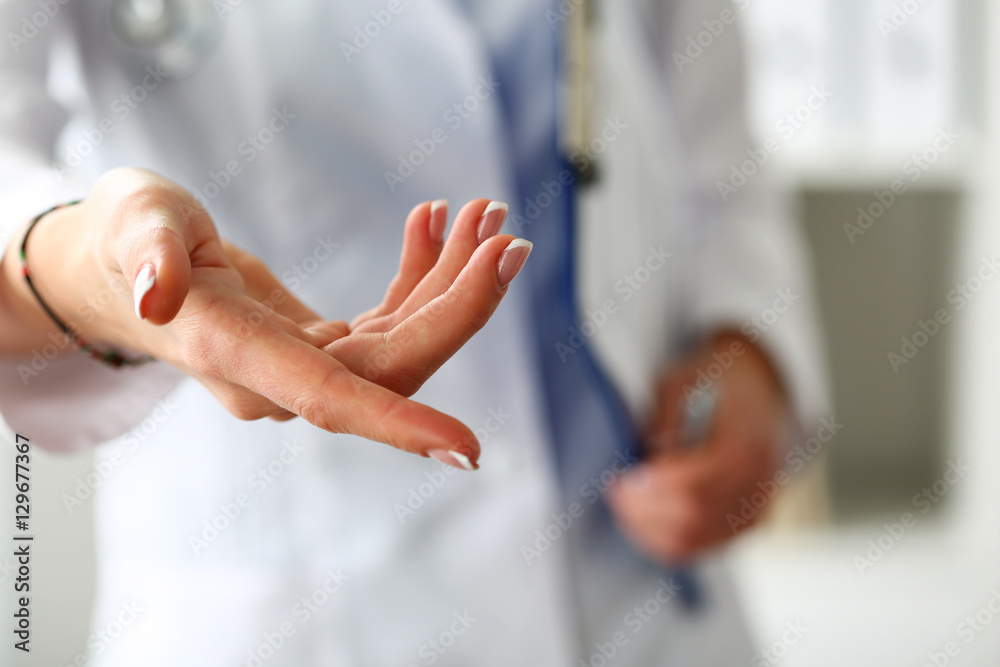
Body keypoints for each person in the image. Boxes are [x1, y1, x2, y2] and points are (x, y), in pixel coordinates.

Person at [0, 0, 828, 665]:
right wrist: (95, 263)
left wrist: (749, 351)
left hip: (640, 600)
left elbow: (720, 167)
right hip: (297, 610)